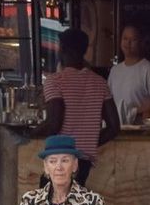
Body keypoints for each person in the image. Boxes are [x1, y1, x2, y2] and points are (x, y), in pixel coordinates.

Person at [41, 27, 119, 177]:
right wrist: (88, 143)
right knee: (74, 200)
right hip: (84, 162)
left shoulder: (55, 81)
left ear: (63, 50)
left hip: (60, 159)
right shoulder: (100, 82)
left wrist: (30, 134)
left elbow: (54, 123)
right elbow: (114, 127)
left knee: (51, 199)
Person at [108, 25, 150, 124]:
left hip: (141, 131)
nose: (128, 43)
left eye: (133, 39)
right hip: (117, 131)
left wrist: (133, 112)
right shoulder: (114, 71)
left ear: (141, 43)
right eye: (125, 38)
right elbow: (108, 100)